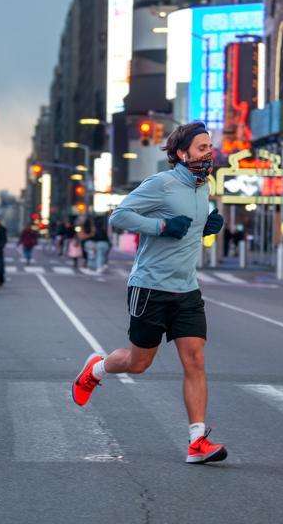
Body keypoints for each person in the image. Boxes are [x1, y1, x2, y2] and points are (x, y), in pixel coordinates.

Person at [70, 122, 227, 464]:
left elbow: (193, 223)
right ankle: (96, 370)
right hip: (150, 287)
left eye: (210, 147)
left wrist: (209, 224)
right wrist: (161, 226)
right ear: (182, 153)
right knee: (138, 363)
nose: (208, 154)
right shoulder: (161, 184)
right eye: (202, 148)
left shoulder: (204, 186)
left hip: (187, 289)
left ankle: (197, 441)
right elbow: (119, 216)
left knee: (195, 361)